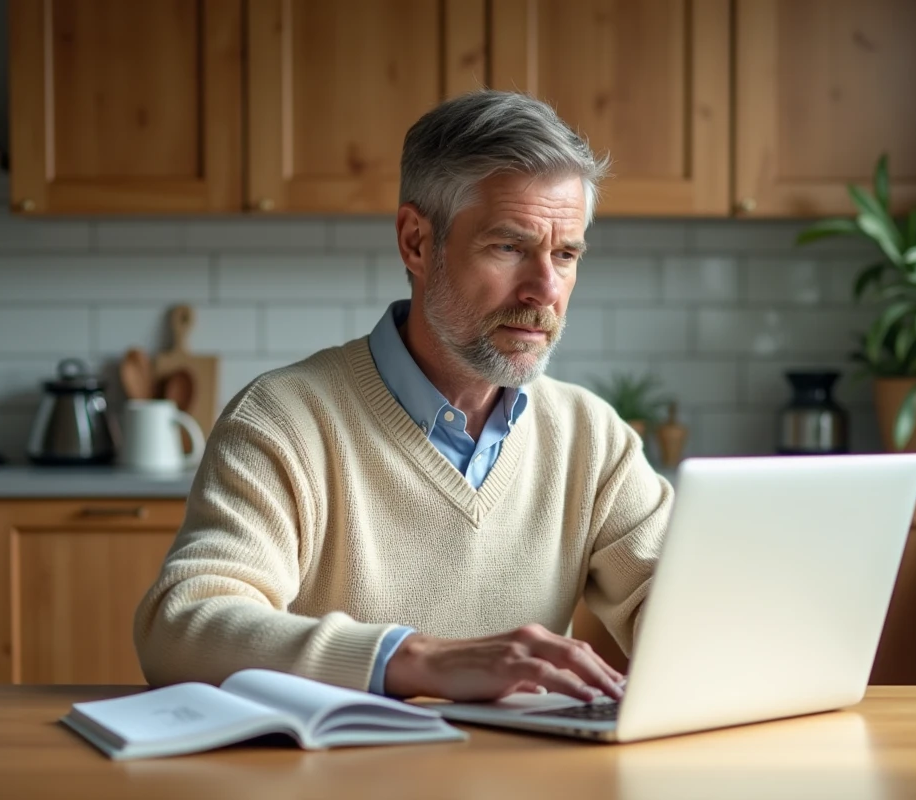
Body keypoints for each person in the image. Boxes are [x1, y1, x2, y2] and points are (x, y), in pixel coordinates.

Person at [133, 90, 672, 703]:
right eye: (509, 247)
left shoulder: (591, 436)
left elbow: (684, 596)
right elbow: (179, 627)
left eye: (566, 253)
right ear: (417, 242)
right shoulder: (284, 420)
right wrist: (417, 660)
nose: (544, 288)